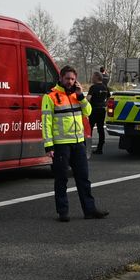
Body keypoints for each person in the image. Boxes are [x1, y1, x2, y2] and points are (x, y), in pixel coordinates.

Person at [42, 66, 108, 222]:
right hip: (61, 144)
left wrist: (81, 97)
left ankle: (89, 210)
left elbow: (88, 112)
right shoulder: (50, 96)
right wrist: (48, 145)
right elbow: (46, 122)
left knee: (83, 178)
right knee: (61, 179)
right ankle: (63, 212)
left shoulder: (77, 96)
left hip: (79, 144)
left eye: (72, 79)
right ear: (61, 78)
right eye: (67, 79)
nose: (70, 82)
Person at [86, 71, 111, 154]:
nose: (92, 78)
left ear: (97, 77)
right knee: (100, 129)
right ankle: (100, 148)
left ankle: (88, 147)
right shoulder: (105, 88)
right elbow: (109, 98)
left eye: (93, 76)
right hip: (102, 110)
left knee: (90, 129)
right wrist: (104, 104)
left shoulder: (93, 87)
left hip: (93, 110)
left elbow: (88, 99)